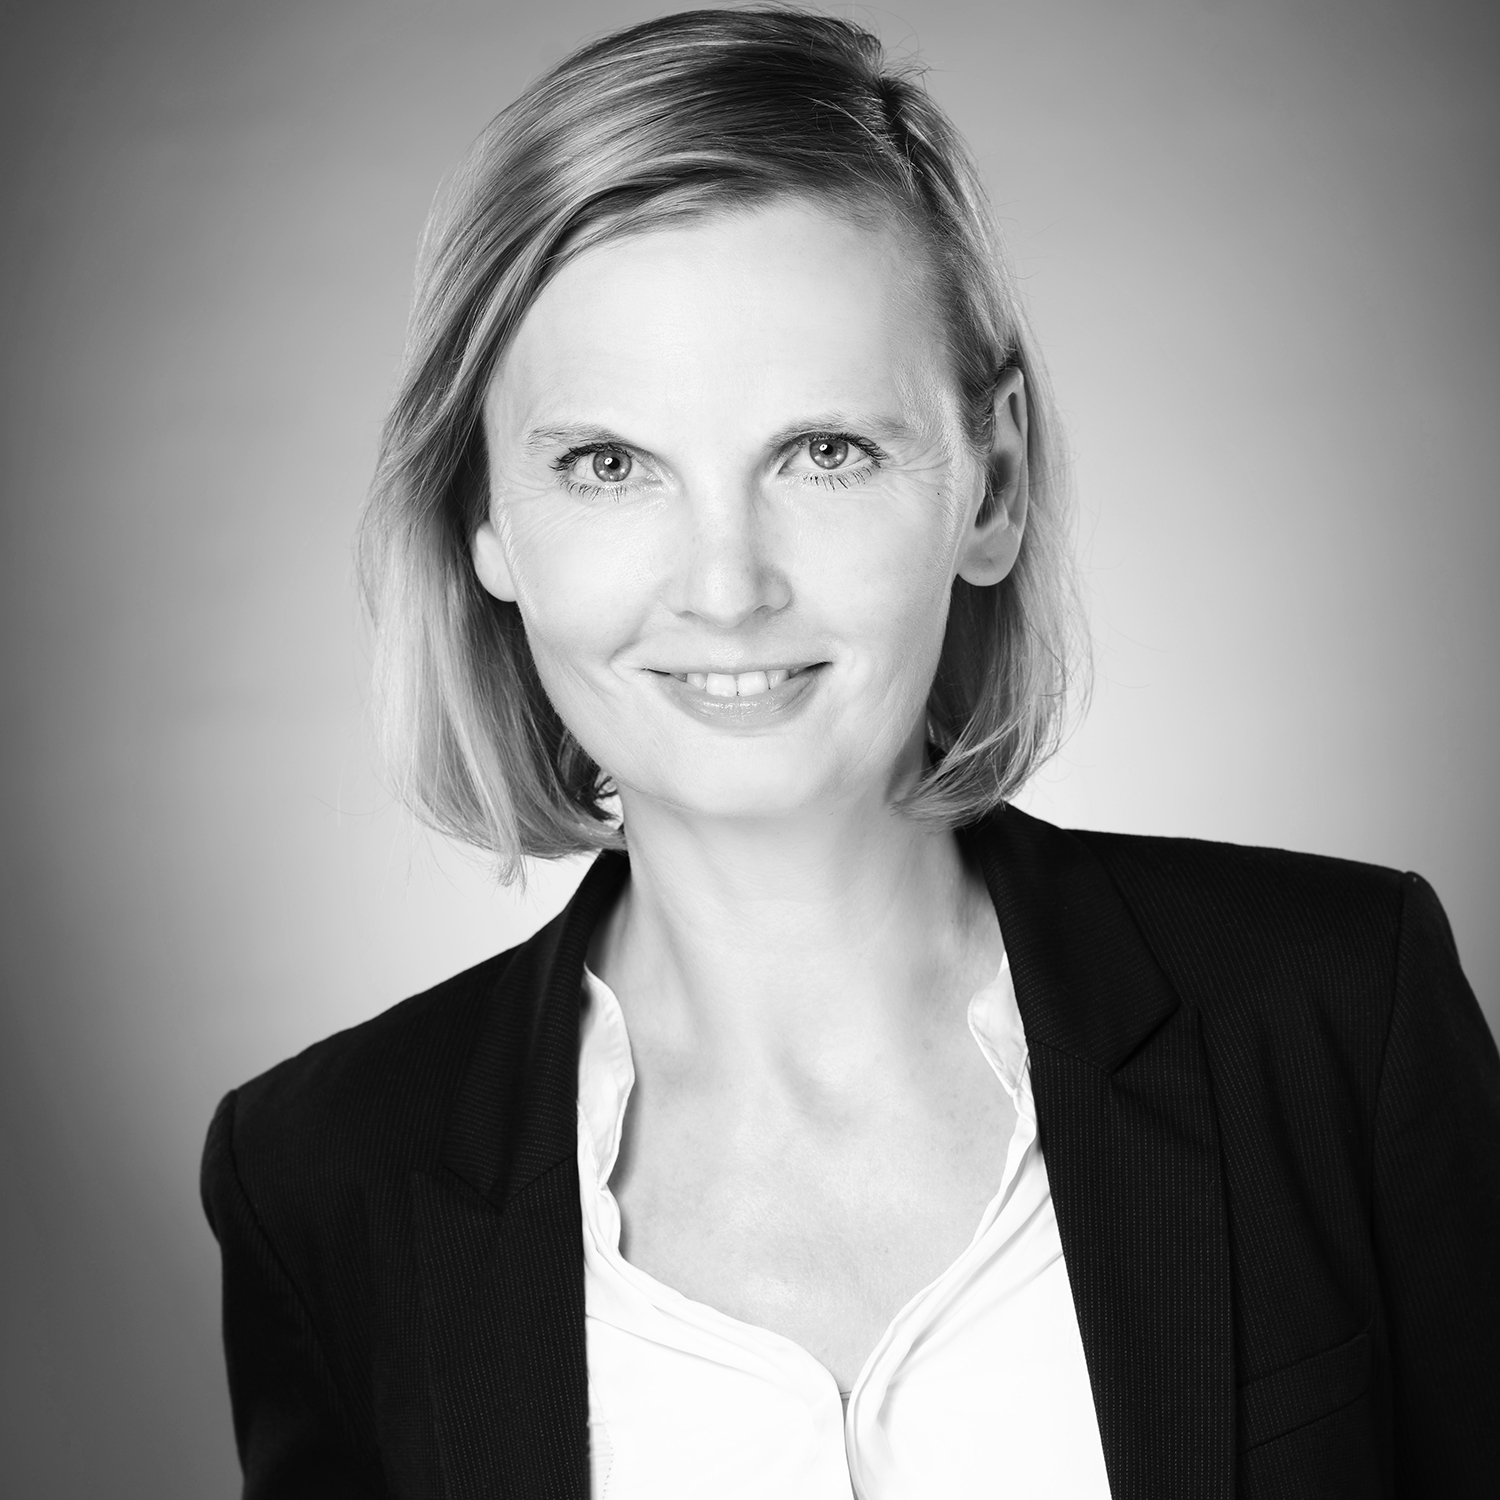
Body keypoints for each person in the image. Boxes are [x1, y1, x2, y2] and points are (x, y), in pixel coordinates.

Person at [200, 10, 1500, 1498]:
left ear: (990, 483)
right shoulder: (322, 1178)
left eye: (826, 452)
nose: (727, 587)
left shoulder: (1336, 1013)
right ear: (483, 520)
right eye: (609, 465)